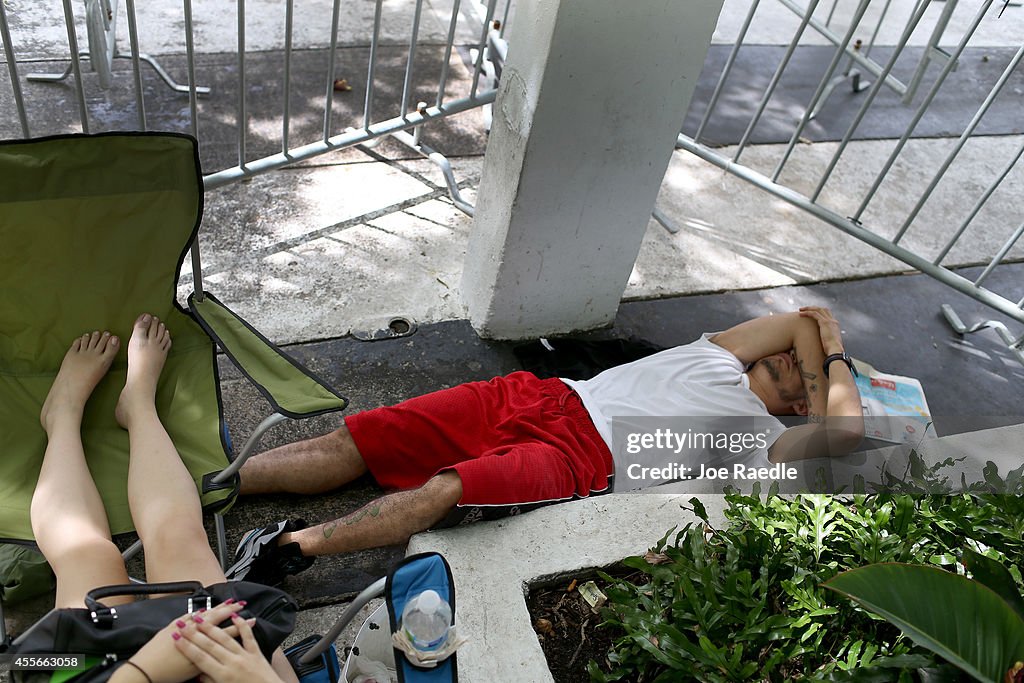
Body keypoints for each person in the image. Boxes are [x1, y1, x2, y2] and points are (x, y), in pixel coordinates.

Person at [227, 307, 864, 585]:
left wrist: (833, 357)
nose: (785, 355)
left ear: (809, 400)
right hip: (541, 394)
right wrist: (821, 341)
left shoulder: (770, 443)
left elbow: (848, 435)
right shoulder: (722, 353)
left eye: (803, 370)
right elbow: (798, 322)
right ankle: (217, 481)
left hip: (585, 461)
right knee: (361, 437)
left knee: (448, 486)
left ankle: (289, 547)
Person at [33, 314, 298, 683]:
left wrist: (143, 671)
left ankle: (61, 417)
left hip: (77, 673)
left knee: (86, 557)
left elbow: (14, 669)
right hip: (232, 667)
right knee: (178, 536)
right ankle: (138, 405)